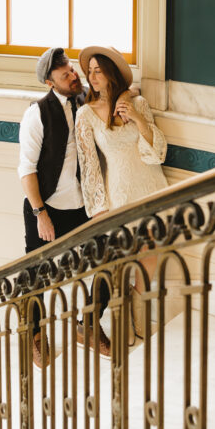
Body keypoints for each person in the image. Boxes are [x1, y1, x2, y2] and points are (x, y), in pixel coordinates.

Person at [18, 46, 111, 367]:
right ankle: (34, 334)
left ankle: (87, 323)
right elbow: (26, 169)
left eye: (72, 69)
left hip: (85, 205)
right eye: (64, 74)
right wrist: (40, 214)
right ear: (49, 82)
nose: (73, 76)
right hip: (48, 208)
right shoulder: (37, 114)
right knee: (37, 274)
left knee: (107, 259)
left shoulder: (87, 99)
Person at [75, 46, 169, 337]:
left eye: (97, 71)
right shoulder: (85, 115)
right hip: (119, 192)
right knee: (120, 256)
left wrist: (138, 118)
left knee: (151, 248)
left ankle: (139, 305)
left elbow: (158, 154)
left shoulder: (137, 103)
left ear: (111, 73)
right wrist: (98, 208)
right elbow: (88, 163)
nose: (91, 77)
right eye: (89, 71)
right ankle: (113, 312)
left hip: (149, 183)